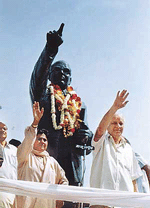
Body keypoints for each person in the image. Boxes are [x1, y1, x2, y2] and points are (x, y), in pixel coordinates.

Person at [29, 23, 93, 186]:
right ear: (50, 75)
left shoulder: (80, 104)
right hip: (48, 159)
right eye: (57, 70)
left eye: (67, 72)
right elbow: (36, 80)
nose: (62, 74)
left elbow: (86, 135)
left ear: (71, 79)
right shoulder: (43, 97)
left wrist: (86, 136)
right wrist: (50, 49)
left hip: (72, 164)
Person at [90, 90, 142, 208]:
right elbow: (99, 130)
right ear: (108, 126)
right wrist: (115, 107)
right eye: (114, 123)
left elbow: (133, 179)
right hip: (102, 203)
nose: (118, 126)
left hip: (124, 204)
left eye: (121, 123)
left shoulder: (128, 149)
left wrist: (137, 203)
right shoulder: (101, 143)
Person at [14, 101, 68, 208]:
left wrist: (60, 196)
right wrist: (35, 123)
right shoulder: (25, 156)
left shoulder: (52, 162)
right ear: (33, 140)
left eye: (45, 140)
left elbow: (63, 181)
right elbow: (28, 140)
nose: (42, 141)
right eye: (39, 139)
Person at [0, 122, 17, 208]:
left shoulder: (14, 150)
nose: (2, 130)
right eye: (0, 128)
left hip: (15, 192)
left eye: (4, 128)